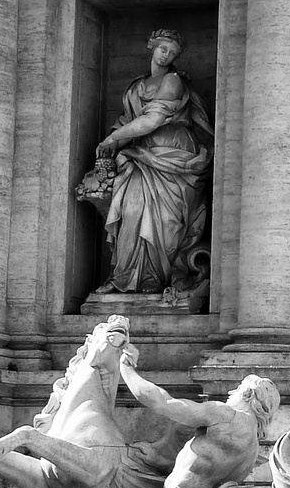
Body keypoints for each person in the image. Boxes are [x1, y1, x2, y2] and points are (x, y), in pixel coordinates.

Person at [85, 28, 214, 295]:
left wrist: (112, 140)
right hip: (141, 156)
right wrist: (113, 145)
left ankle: (155, 279)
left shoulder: (173, 81)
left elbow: (153, 120)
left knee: (165, 222)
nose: (167, 55)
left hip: (172, 156)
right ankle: (126, 276)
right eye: (163, 49)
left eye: (173, 53)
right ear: (151, 47)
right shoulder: (135, 87)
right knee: (131, 211)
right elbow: (126, 122)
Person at [118, 357, 279, 488]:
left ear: (247, 393)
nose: (231, 394)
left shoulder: (227, 415)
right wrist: (160, 461)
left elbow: (162, 402)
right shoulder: (252, 451)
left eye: (236, 389)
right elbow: (205, 471)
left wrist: (126, 369)